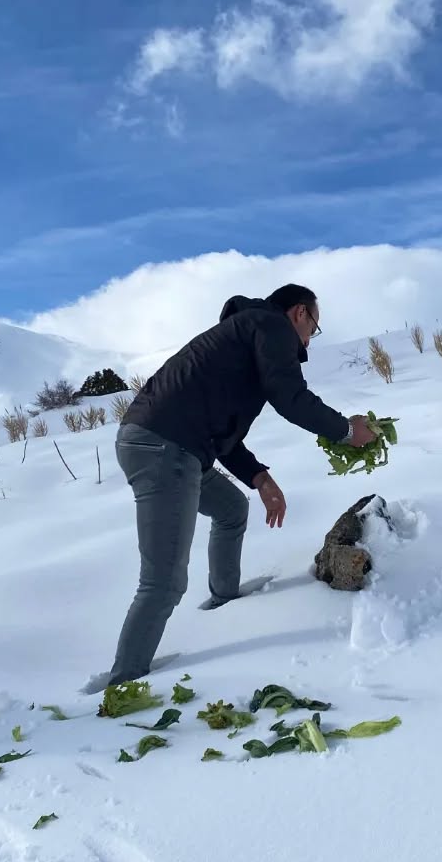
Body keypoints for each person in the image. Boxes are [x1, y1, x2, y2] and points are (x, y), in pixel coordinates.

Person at [103, 284, 374, 687]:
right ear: (299, 313)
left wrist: (260, 478)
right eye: (313, 329)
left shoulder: (242, 336)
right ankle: (122, 687)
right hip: (166, 448)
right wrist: (347, 431)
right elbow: (291, 397)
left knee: (231, 509)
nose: (307, 342)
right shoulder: (269, 325)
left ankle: (225, 602)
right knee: (164, 581)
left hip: (166, 443)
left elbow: (220, 433)